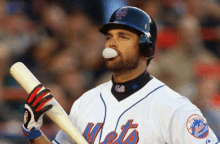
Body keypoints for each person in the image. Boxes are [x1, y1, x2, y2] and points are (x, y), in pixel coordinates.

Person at [21, 6, 219, 144]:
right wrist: (34, 132)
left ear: (146, 49)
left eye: (123, 37)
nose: (112, 44)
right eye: (109, 37)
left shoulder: (174, 107)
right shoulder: (85, 102)